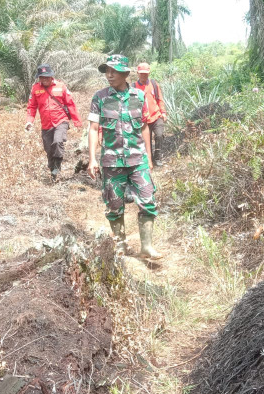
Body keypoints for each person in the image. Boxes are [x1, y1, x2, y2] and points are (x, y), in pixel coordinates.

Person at [87, 54, 162, 259]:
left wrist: (149, 156)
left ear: (125, 74)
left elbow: (145, 126)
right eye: (107, 71)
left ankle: (146, 246)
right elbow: (94, 129)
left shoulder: (139, 96)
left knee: (148, 199)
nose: (109, 75)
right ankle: (120, 245)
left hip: (138, 160)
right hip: (112, 161)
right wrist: (92, 158)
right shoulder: (100, 97)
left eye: (114, 71)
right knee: (114, 204)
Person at [25, 64, 82, 182]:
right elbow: (31, 106)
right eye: (42, 77)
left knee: (58, 141)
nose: (44, 80)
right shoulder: (35, 88)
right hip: (46, 124)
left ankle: (58, 164)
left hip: (61, 121)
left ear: (52, 76)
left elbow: (71, 104)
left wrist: (77, 122)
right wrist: (29, 121)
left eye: (47, 77)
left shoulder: (61, 86)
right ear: (39, 78)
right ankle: (53, 170)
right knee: (48, 149)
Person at [134, 63, 167, 166]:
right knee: (145, 140)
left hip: (156, 116)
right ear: (138, 74)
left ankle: (158, 157)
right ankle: (149, 159)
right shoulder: (134, 87)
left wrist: (163, 112)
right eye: (142, 74)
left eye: (146, 74)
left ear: (149, 73)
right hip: (143, 120)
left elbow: (159, 99)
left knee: (159, 135)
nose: (144, 76)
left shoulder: (153, 84)